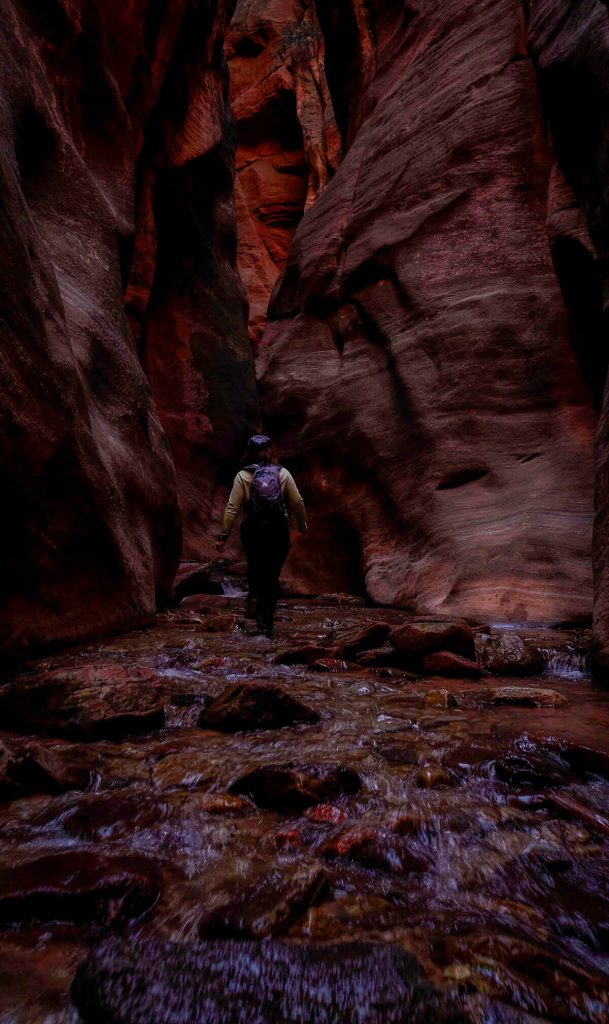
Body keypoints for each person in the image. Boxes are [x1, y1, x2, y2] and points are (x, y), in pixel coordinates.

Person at [216, 435, 307, 637]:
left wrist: (223, 535)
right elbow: (297, 501)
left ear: (248, 452)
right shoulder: (283, 474)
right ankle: (266, 625)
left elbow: (232, 507)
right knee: (272, 575)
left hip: (253, 528)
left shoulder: (243, 476)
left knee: (256, 566)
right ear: (270, 451)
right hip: (277, 528)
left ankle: (254, 596)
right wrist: (301, 524)